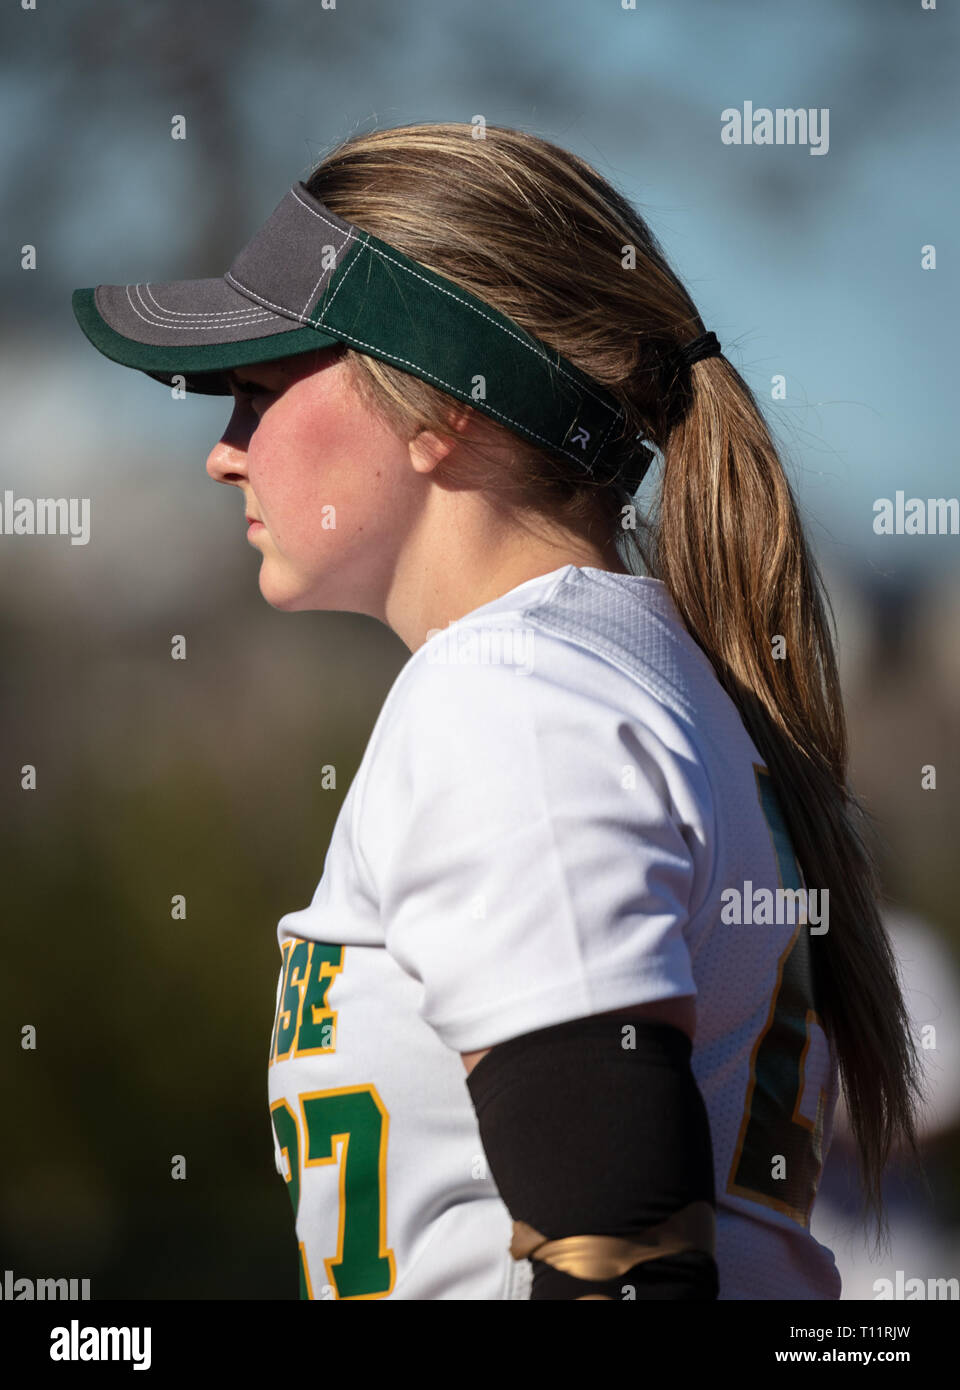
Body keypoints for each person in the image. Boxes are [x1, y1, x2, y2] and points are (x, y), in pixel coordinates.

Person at [71, 121, 924, 1301]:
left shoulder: (516, 703)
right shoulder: (605, 671)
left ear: (439, 408)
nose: (225, 452)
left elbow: (621, 1265)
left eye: (259, 386)